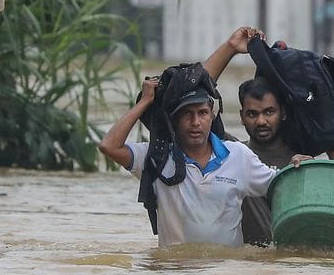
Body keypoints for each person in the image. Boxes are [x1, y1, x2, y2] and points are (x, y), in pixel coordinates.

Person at [203, 26, 334, 245]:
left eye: (269, 112)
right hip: (242, 269)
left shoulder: (303, 164)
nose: (261, 121)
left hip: (291, 268)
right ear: (242, 117)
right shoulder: (231, 154)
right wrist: (231, 48)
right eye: (252, 114)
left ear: (283, 113)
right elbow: (192, 97)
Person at [98, 76, 277, 248]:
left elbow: (280, 186)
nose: (195, 122)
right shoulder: (156, 157)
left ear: (212, 115)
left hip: (225, 273)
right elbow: (109, 146)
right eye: (187, 114)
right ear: (174, 118)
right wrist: (144, 101)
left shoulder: (238, 155)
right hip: (175, 272)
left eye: (202, 113)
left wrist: (298, 164)